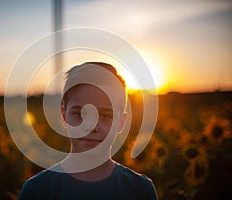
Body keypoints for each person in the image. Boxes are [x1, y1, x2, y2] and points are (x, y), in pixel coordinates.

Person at [18, 62, 158, 200]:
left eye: (105, 115)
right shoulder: (37, 191)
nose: (91, 126)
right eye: (79, 114)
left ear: (121, 122)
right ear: (64, 115)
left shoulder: (140, 190)